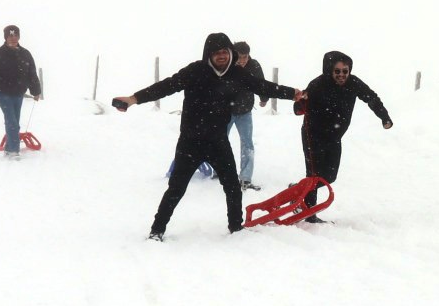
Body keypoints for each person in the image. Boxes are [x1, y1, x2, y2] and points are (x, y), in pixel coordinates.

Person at [113, 33, 301, 241]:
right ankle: (157, 230)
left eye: (225, 51)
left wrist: (291, 93)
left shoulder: (237, 74)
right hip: (190, 142)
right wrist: (133, 99)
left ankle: (236, 228)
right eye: (216, 52)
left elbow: (262, 86)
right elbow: (166, 86)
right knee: (176, 189)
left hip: (218, 141)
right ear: (208, 54)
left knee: (232, 187)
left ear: (230, 53)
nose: (221, 56)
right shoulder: (195, 71)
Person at [294, 50, 393, 220]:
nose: (341, 75)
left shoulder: (354, 83)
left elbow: (371, 98)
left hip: (334, 136)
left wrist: (384, 116)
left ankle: (299, 191)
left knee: (330, 176)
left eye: (345, 71)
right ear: (329, 70)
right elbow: (298, 109)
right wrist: (303, 100)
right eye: (337, 71)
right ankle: (309, 213)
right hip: (313, 134)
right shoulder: (317, 84)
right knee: (314, 175)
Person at [0, 24, 42, 158]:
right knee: (12, 122)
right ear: (6, 37)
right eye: (10, 36)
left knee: (14, 122)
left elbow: (32, 74)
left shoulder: (25, 54)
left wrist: (36, 91)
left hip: (19, 93)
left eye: (15, 35)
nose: (13, 38)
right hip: (3, 92)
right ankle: (13, 151)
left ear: (19, 37)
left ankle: (9, 147)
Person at [229, 40, 263, 190]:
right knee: (219, 141)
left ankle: (245, 178)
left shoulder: (254, 66)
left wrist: (264, 98)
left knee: (247, 144)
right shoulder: (227, 66)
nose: (242, 60)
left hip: (245, 111)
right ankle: (219, 171)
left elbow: (261, 83)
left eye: (245, 57)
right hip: (225, 112)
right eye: (240, 57)